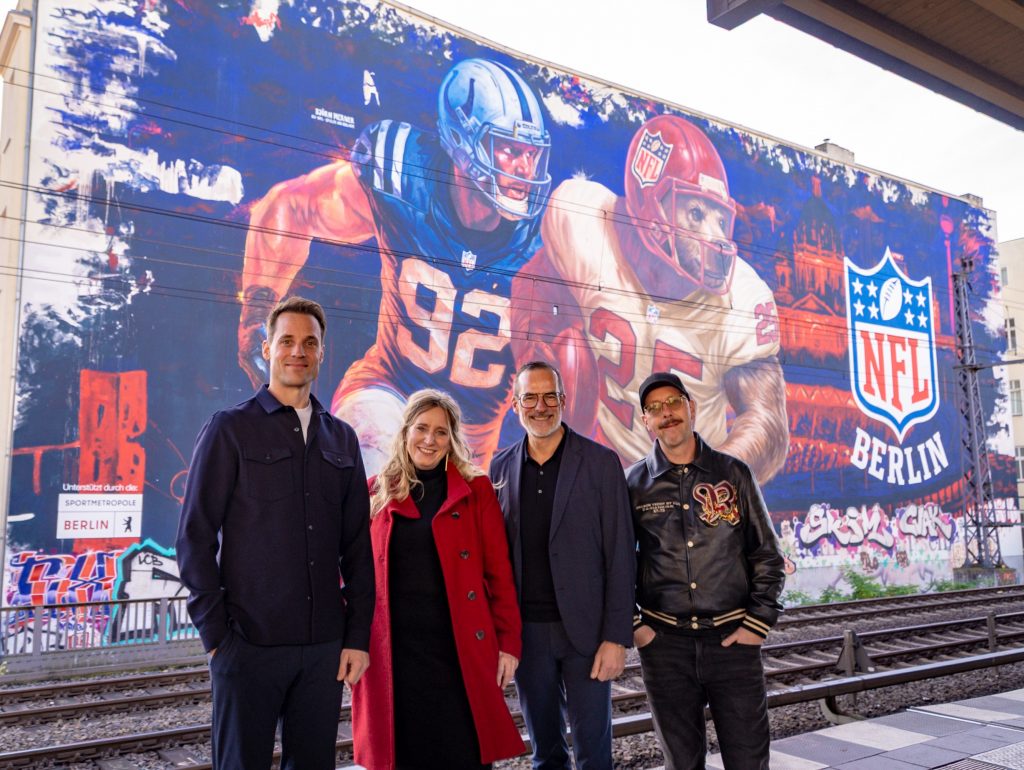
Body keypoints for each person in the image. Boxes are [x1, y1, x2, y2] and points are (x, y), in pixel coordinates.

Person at [239, 57, 552, 474]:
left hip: (471, 435)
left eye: (531, 154)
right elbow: (290, 206)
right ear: (461, 142)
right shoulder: (405, 179)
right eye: (510, 150)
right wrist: (257, 311)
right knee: (374, 455)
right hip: (388, 389)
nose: (523, 169)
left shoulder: (546, 235)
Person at [512, 114, 787, 484]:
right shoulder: (589, 228)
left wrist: (706, 480)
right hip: (604, 467)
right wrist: (543, 359)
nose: (716, 238)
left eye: (721, 221)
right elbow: (533, 287)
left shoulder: (741, 298)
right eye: (695, 213)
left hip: (691, 485)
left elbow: (766, 421)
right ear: (649, 204)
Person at [176, 296, 374, 770]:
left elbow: (357, 548)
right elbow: (194, 537)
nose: (297, 351)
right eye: (286, 340)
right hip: (248, 648)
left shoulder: (341, 438)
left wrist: (356, 637)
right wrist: (218, 636)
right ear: (267, 348)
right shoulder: (230, 429)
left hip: (322, 649)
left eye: (310, 342)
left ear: (322, 353)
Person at [351, 389, 525, 770]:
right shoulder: (376, 491)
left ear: (453, 438)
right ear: (406, 432)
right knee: (404, 754)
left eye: (441, 432)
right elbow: (356, 576)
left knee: (464, 752)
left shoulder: (475, 490)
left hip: (458, 652)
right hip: (395, 655)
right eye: (421, 428)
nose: (430, 440)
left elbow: (499, 573)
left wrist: (509, 644)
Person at [626, 371, 785, 770]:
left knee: (748, 760)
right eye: (655, 409)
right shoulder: (633, 484)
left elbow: (767, 554)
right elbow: (615, 564)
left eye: (673, 403)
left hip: (733, 643)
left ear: (691, 407)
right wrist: (637, 628)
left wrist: (757, 623)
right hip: (665, 648)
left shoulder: (733, 474)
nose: (667, 414)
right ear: (646, 421)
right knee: (682, 764)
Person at [489, 361, 636, 770]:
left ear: (564, 400)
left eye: (549, 396)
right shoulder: (500, 468)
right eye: (530, 398)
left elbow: (622, 554)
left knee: (594, 751)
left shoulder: (601, 464)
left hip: (587, 636)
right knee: (545, 752)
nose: (541, 406)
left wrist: (615, 638)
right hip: (528, 637)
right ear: (516, 405)